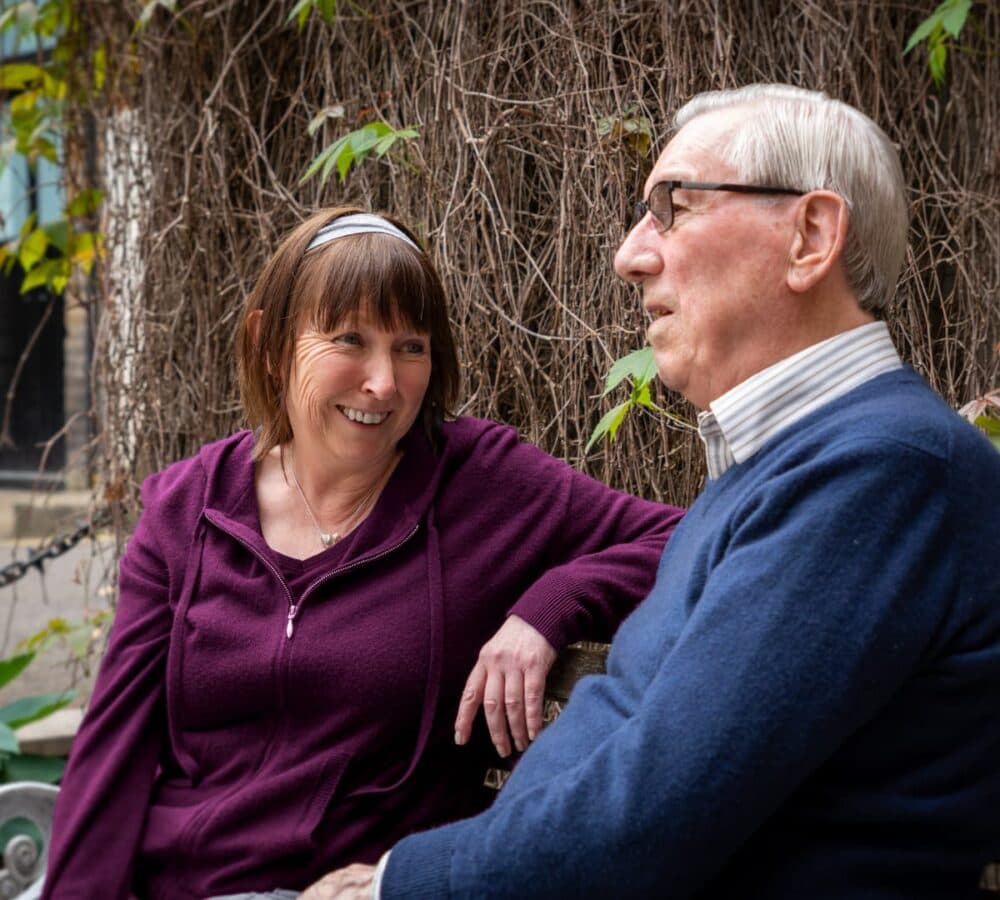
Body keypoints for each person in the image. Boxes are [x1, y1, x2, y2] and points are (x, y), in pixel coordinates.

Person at [309, 85, 1000, 899]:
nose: (630, 255)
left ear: (810, 237)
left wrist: (394, 885)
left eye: (674, 205)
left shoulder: (881, 471)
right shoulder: (787, 466)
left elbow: (646, 819)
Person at [39, 208, 684, 899]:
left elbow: (693, 535)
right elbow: (114, 750)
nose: (384, 382)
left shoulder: (481, 483)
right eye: (350, 339)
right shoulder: (188, 510)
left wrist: (551, 606)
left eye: (411, 347)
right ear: (269, 342)